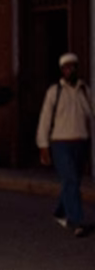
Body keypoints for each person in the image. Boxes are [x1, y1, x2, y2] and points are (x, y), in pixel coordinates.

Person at [36, 52, 93, 238]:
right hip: (60, 143)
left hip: (81, 142)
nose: (70, 70)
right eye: (66, 67)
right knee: (71, 180)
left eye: (73, 66)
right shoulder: (55, 91)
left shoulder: (85, 90)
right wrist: (43, 145)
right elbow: (45, 119)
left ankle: (60, 211)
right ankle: (76, 220)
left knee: (72, 179)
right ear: (62, 70)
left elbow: (91, 115)